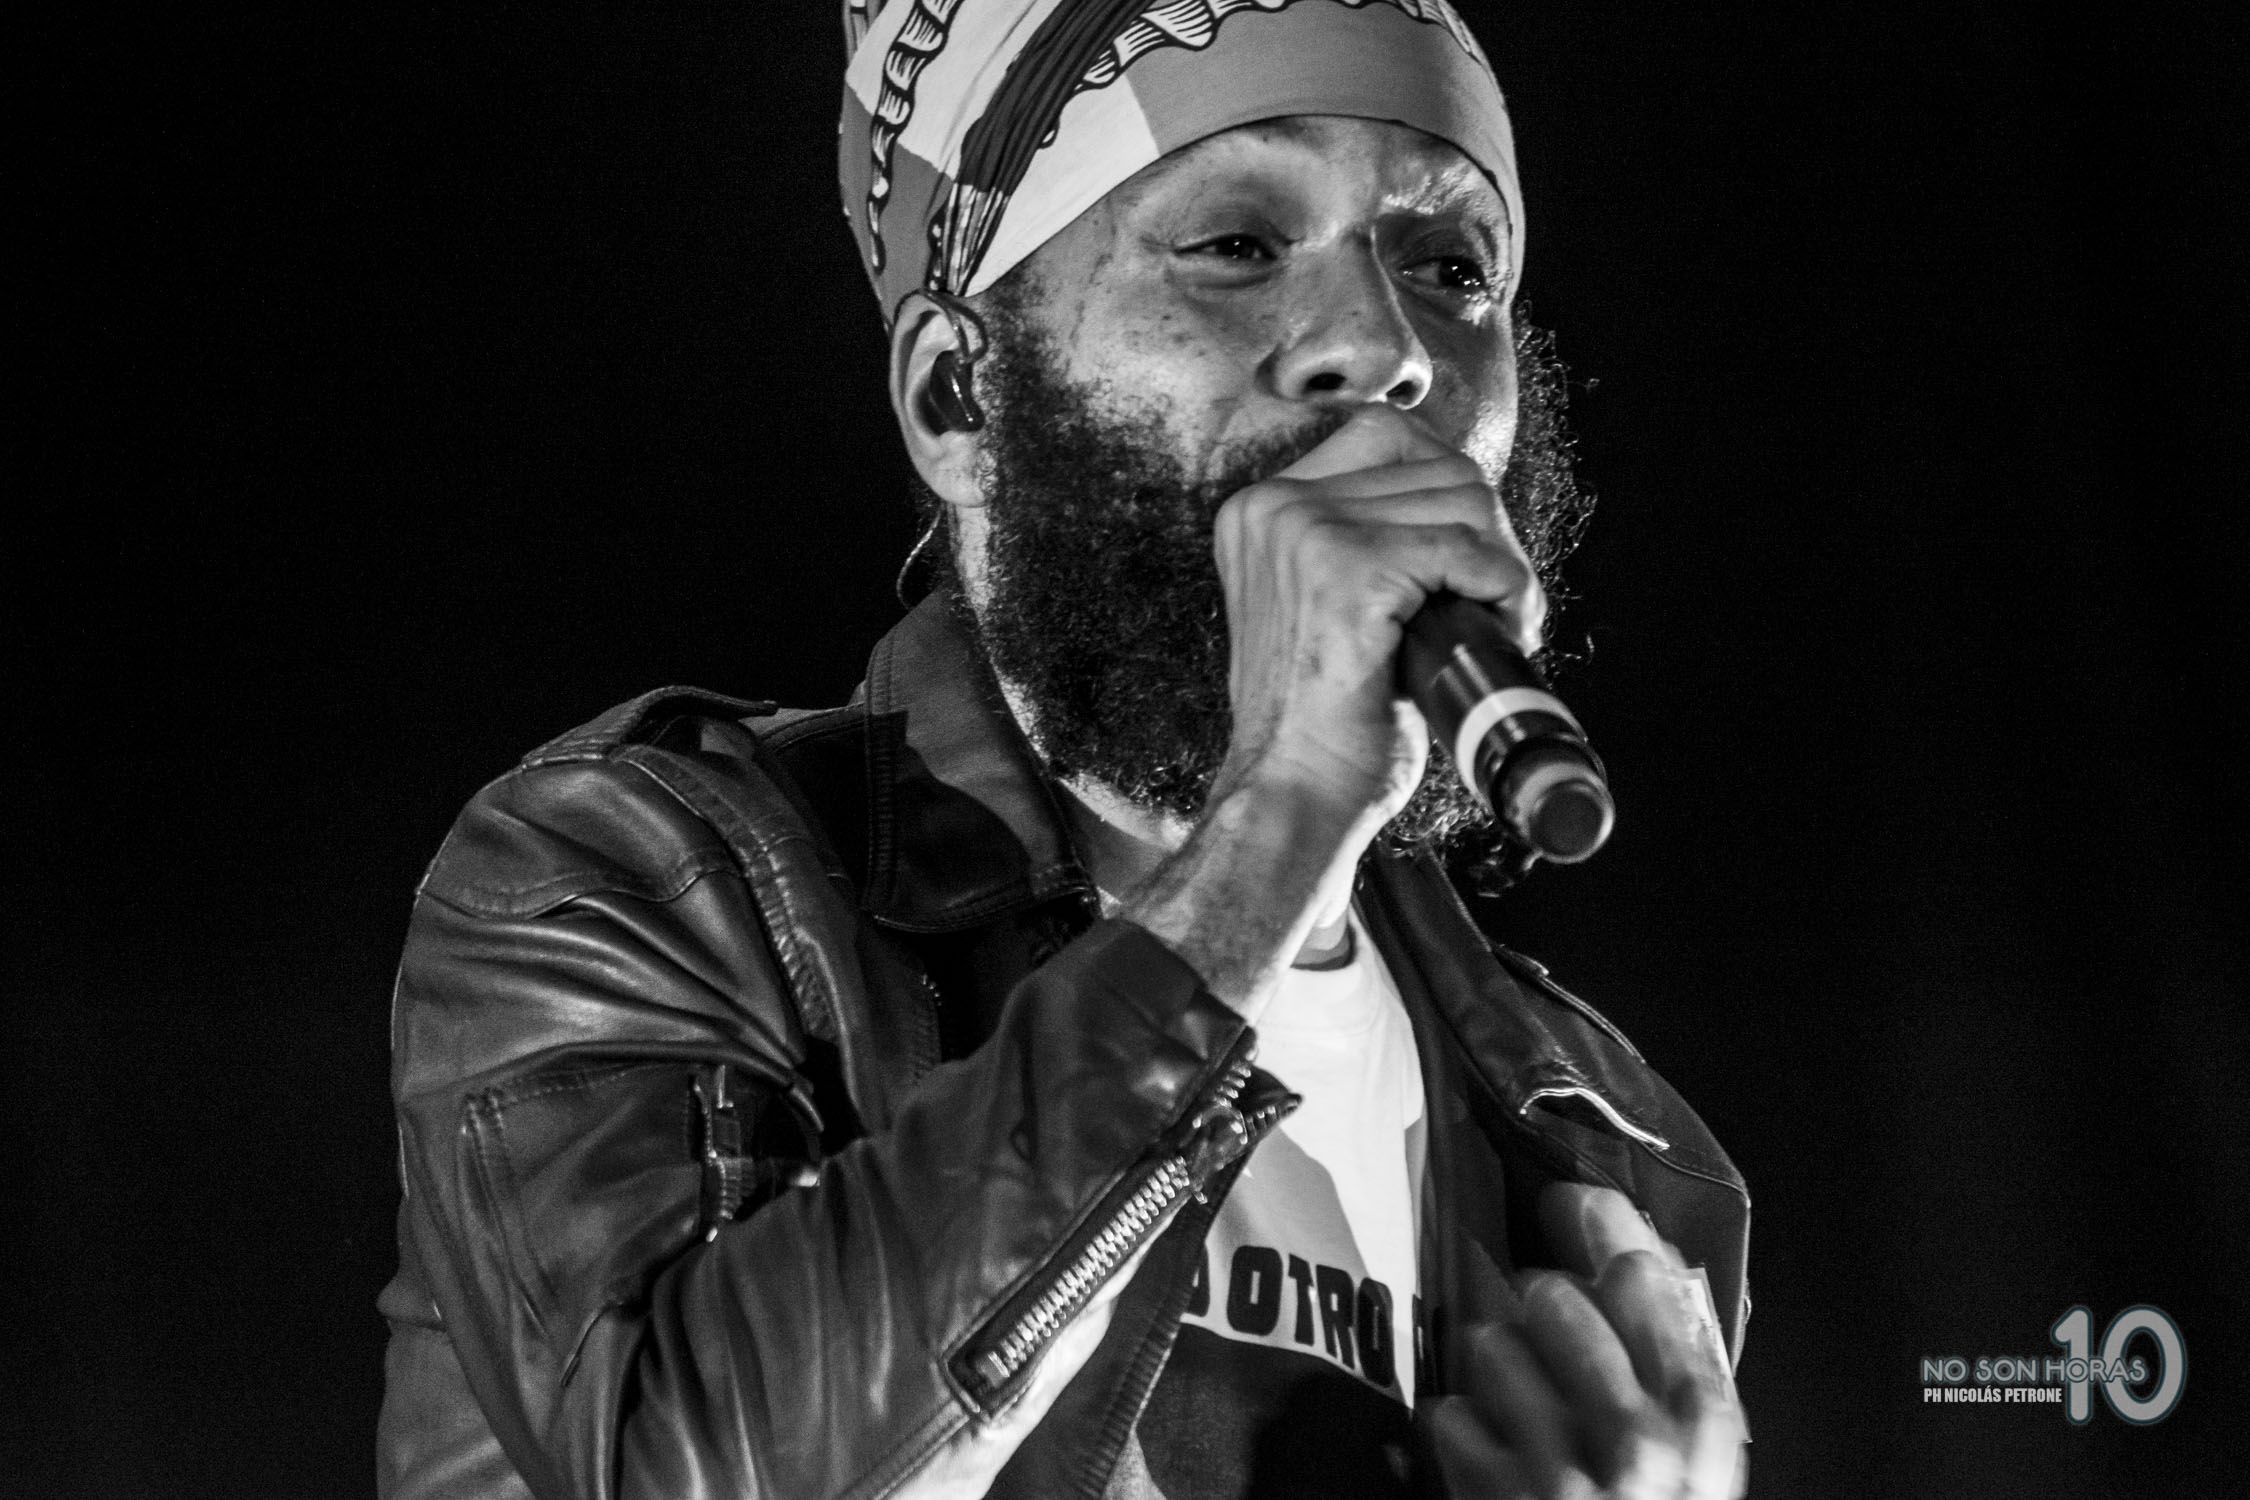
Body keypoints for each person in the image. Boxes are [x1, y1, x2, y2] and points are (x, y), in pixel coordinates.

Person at [376, 2, 1752, 1496]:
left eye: (1452, 268)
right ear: (957, 397)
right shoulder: (639, 875)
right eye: (1237, 244)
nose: (1384, 349)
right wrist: (1284, 814)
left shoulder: (1605, 1145)